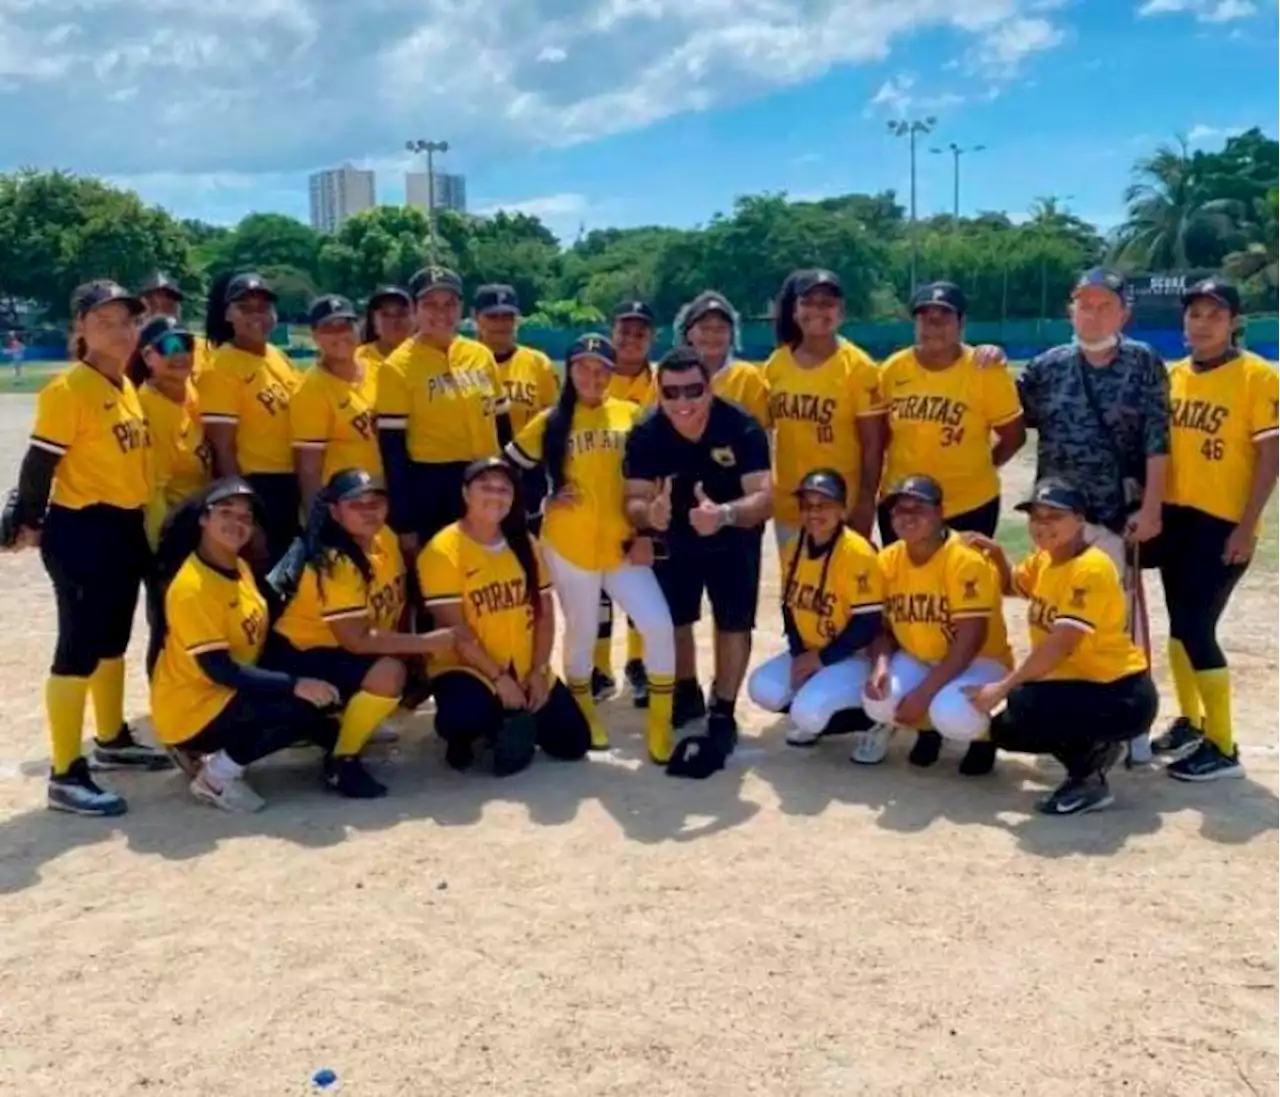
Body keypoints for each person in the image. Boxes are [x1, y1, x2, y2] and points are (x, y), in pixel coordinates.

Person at [4, 281, 170, 816]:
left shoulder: (121, 385)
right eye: (104, 321)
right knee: (77, 647)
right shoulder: (69, 388)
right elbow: (39, 464)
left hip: (123, 526)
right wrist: (28, 519)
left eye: (126, 321)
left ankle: (112, 738)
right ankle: (64, 774)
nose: (119, 331)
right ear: (80, 328)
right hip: (82, 528)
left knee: (112, 640)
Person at [1013, 267, 1170, 765]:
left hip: (1112, 516)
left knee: (1120, 621)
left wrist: (1151, 507)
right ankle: (1068, 703)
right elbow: (1010, 418)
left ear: (1124, 312)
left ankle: (1131, 719)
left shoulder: (1143, 362)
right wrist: (983, 362)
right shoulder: (1045, 366)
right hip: (1055, 517)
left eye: (1105, 305)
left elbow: (1157, 440)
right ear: (1070, 310)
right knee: (1054, 612)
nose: (1094, 313)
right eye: (1085, 304)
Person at [505, 334, 677, 761]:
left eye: (601, 368)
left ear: (612, 372)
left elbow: (650, 480)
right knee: (581, 632)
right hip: (569, 544)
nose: (593, 376)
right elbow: (508, 467)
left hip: (622, 543)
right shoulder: (550, 421)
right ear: (570, 371)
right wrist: (539, 505)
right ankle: (585, 712)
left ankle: (659, 721)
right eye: (583, 367)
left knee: (657, 623)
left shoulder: (632, 414)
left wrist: (647, 535)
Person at [264, 469, 464, 797]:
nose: (369, 510)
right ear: (334, 510)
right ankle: (342, 760)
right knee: (390, 673)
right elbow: (354, 640)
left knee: (418, 668)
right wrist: (421, 644)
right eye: (356, 504)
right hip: (300, 653)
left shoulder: (383, 536)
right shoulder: (336, 558)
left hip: (342, 646)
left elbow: (398, 599)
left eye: (376, 502)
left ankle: (355, 722)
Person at [963, 479, 1159, 815]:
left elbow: (1060, 644)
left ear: (1080, 520)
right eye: (1036, 516)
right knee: (1008, 728)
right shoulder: (1046, 558)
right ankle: (1097, 750)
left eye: (1054, 516)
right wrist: (996, 554)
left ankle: (1089, 778)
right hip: (1085, 687)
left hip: (1122, 693)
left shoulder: (1090, 568)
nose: (1042, 524)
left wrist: (1002, 687)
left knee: (1023, 706)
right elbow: (1013, 585)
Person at [149, 479, 342, 812]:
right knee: (300, 708)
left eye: (245, 517)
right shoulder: (193, 588)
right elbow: (219, 669)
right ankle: (216, 777)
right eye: (225, 512)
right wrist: (295, 684)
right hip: (194, 707)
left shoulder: (236, 565)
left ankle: (203, 752)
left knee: (325, 722)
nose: (236, 523)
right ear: (203, 519)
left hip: (223, 691)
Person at [1153, 278, 1280, 781]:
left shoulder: (1257, 376)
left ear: (1234, 323)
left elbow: (1271, 456)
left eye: (1214, 314)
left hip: (1223, 521)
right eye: (1195, 314)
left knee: (1196, 627)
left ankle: (1223, 746)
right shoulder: (1175, 375)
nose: (1202, 324)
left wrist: (1246, 528)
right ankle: (1190, 719)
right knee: (1179, 626)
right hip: (1177, 516)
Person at [623, 346, 773, 772]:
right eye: (672, 393)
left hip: (732, 534)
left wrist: (724, 514)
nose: (683, 402)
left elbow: (764, 497)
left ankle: (723, 707)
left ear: (710, 387)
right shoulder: (647, 430)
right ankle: (685, 691)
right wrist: (648, 515)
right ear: (659, 392)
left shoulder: (739, 424)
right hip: (676, 535)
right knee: (676, 619)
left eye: (694, 390)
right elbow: (632, 498)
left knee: (733, 622)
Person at [417, 458, 591, 775]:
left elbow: (545, 613)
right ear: (466, 493)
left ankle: (512, 721)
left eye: (504, 489)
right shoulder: (443, 550)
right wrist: (499, 679)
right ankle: (480, 732)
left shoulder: (524, 542)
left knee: (573, 743)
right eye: (485, 487)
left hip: (523, 664)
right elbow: (458, 632)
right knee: (463, 713)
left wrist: (538, 671)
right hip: (469, 668)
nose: (495, 496)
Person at [859, 475, 1011, 774]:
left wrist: (923, 694)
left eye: (919, 508)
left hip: (979, 661)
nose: (908, 516)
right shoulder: (887, 559)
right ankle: (927, 730)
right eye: (901, 509)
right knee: (879, 699)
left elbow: (971, 638)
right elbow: (880, 627)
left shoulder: (965, 559)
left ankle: (983, 736)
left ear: (940, 513)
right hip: (921, 657)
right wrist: (880, 664)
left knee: (951, 713)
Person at [375, 266, 512, 567]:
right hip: (433, 487)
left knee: (490, 572)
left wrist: (513, 482)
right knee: (441, 579)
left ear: (461, 308)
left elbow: (503, 427)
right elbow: (392, 450)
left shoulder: (480, 355)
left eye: (449, 303)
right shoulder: (397, 366)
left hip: (489, 480)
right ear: (413, 309)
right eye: (430, 304)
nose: (441, 312)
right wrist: (404, 520)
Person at [878, 282, 1025, 544]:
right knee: (904, 582)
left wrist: (980, 469)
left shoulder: (984, 370)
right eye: (925, 318)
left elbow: (1014, 435)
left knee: (965, 581)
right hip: (904, 503)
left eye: (944, 317)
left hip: (968, 504)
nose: (934, 326)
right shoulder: (893, 369)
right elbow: (879, 437)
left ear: (961, 322)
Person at [747, 470, 883, 746]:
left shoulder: (857, 553)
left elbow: (868, 623)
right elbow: (789, 606)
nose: (814, 513)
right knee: (763, 689)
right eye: (808, 505)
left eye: (824, 505)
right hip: (813, 647)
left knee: (807, 712)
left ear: (842, 511)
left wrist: (820, 659)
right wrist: (800, 654)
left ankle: (878, 719)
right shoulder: (794, 545)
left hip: (854, 655)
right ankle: (817, 706)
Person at [763, 269, 885, 544]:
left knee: (840, 584)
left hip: (840, 503)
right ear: (794, 310)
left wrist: (865, 503)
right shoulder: (776, 364)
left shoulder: (858, 367)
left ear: (841, 313)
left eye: (827, 303)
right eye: (808, 302)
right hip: (790, 502)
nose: (817, 310)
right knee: (797, 584)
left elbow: (874, 444)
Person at [198, 270, 302, 569]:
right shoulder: (223, 365)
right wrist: (243, 510)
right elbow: (223, 450)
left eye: (263, 307)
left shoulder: (278, 357)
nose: (256, 315)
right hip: (255, 484)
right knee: (261, 574)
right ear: (228, 314)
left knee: (287, 579)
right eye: (245, 307)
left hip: (290, 482)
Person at [592, 298, 658, 704]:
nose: (631, 339)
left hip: (646, 499)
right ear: (612, 332)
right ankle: (599, 668)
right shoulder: (594, 376)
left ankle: (639, 663)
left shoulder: (664, 380)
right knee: (598, 589)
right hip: (600, 497)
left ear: (652, 337)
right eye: (624, 330)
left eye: (640, 332)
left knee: (642, 582)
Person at [473, 282, 560, 531]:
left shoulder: (537, 363)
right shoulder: (463, 362)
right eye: (493, 316)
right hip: (478, 469)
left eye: (508, 316)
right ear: (476, 318)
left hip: (528, 472)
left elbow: (552, 420)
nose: (501, 323)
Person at [290, 294, 381, 513]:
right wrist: (317, 519)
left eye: (345, 326)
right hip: (346, 504)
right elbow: (309, 468)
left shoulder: (379, 370)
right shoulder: (311, 390)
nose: (340, 334)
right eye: (329, 329)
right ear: (315, 336)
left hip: (384, 496)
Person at [128, 315, 212, 549]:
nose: (180, 354)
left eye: (186, 345)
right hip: (176, 524)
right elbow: (154, 493)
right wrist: (164, 549)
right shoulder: (148, 409)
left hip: (204, 516)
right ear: (147, 357)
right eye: (168, 346)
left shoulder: (189, 390)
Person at [673, 290, 770, 427]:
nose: (712, 335)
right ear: (689, 334)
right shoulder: (670, 375)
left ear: (732, 335)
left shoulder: (747, 376)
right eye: (705, 328)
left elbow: (763, 430)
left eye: (721, 329)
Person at [137, 271, 215, 380]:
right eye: (152, 304)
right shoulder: (128, 350)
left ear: (179, 308)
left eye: (169, 303)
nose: (160, 310)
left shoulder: (203, 347)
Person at [356, 285, 414, 373]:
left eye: (401, 313)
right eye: (385, 314)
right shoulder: (357, 360)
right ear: (373, 320)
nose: (394, 320)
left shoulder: (426, 355)